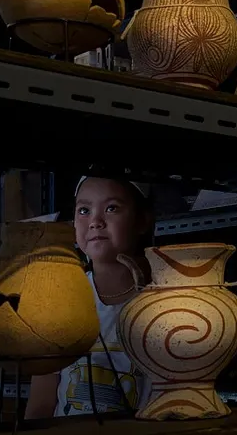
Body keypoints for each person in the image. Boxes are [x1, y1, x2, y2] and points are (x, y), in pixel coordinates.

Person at [24, 176, 154, 418]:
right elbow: (41, 403)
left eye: (111, 208)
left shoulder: (163, 300)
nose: (95, 221)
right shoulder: (58, 301)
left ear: (142, 220)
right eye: (84, 210)